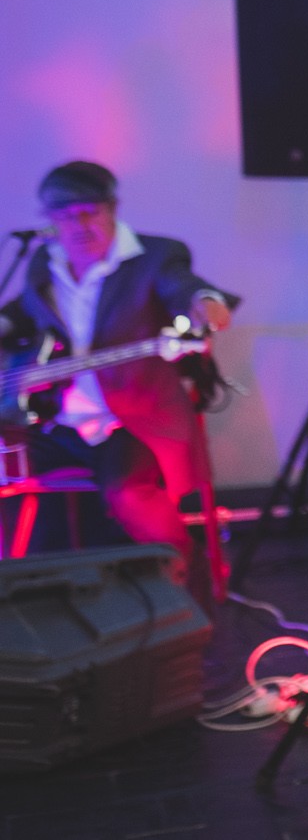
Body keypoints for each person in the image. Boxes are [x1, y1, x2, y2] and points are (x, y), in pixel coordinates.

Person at [0, 161, 236, 584]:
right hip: (56, 419)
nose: (78, 225)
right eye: (65, 216)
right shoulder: (43, 263)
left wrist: (205, 303)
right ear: (50, 221)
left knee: (129, 495)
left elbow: (183, 287)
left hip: (131, 418)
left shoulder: (156, 256)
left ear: (112, 209)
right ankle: (22, 593)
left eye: (89, 212)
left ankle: (188, 585)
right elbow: (26, 312)